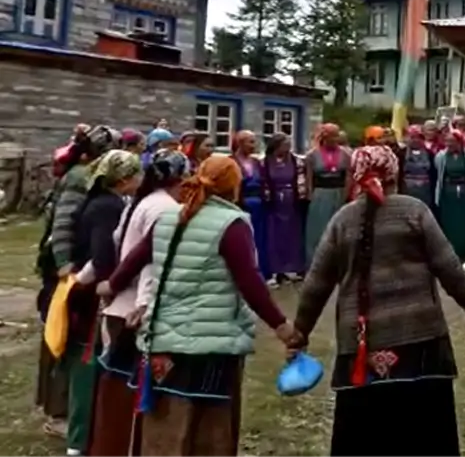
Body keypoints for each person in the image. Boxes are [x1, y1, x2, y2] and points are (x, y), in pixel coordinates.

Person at [98, 155, 296, 457]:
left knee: (162, 429)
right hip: (211, 346)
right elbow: (250, 282)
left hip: (163, 340)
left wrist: (109, 287)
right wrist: (281, 326)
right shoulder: (231, 224)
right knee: (209, 434)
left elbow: (133, 262)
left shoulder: (170, 218)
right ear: (234, 186)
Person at [291, 145, 465, 456]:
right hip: (420, 337)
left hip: (362, 343)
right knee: (425, 434)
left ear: (356, 175)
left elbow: (317, 283)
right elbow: (449, 267)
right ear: (395, 173)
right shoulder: (414, 211)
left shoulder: (343, 220)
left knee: (363, 437)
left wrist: (300, 332)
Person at [89, 148, 189, 457]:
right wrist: (145, 303)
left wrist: (109, 283)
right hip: (133, 309)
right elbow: (149, 262)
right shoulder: (165, 209)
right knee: (126, 396)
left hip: (119, 305)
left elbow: (120, 243)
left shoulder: (142, 202)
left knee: (114, 393)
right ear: (180, 178)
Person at [36, 126, 117, 442]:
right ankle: (58, 413)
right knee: (63, 339)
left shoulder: (92, 176)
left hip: (77, 273)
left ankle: (69, 409)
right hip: (65, 273)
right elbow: (63, 224)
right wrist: (65, 267)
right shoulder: (80, 177)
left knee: (71, 340)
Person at [65, 149, 144, 457]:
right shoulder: (107, 207)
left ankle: (84, 438)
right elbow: (101, 257)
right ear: (123, 179)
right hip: (94, 297)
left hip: (89, 291)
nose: (140, 180)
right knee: (91, 366)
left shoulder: (101, 201)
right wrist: (111, 286)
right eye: (136, 175)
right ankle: (81, 441)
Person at [304, 123, 351, 266]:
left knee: (339, 229)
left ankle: (339, 262)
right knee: (318, 229)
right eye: (333, 136)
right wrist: (310, 194)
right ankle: (315, 262)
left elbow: (348, 176)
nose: (336, 139)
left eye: (337, 135)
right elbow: (309, 176)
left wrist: (346, 194)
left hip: (338, 191)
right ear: (325, 136)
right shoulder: (312, 155)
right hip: (321, 193)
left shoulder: (345, 154)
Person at [262, 133, 306, 284]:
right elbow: (264, 181)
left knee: (291, 236)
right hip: (274, 203)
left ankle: (291, 268)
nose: (288, 147)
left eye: (289, 144)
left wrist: (301, 197)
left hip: (291, 202)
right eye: (285, 144)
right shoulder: (265, 162)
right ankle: (275, 269)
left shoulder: (296, 161)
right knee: (274, 236)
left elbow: (301, 180)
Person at [434, 130, 465, 267]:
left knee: (464, 225)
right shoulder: (441, 156)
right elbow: (438, 173)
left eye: (452, 141)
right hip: (447, 194)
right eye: (447, 141)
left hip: (464, 194)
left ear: (459, 142)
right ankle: (449, 256)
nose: (449, 144)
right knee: (448, 225)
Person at [233, 130, 271, 278]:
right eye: (250, 142)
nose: (253, 145)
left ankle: (260, 271)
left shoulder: (256, 162)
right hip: (241, 204)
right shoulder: (232, 161)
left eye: (254, 142)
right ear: (240, 143)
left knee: (259, 237)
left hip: (259, 204)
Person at [397, 125, 437, 209]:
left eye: (419, 137)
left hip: (425, 191)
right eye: (412, 137)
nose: (416, 140)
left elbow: (433, 175)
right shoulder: (401, 154)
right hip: (407, 191)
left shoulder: (430, 154)